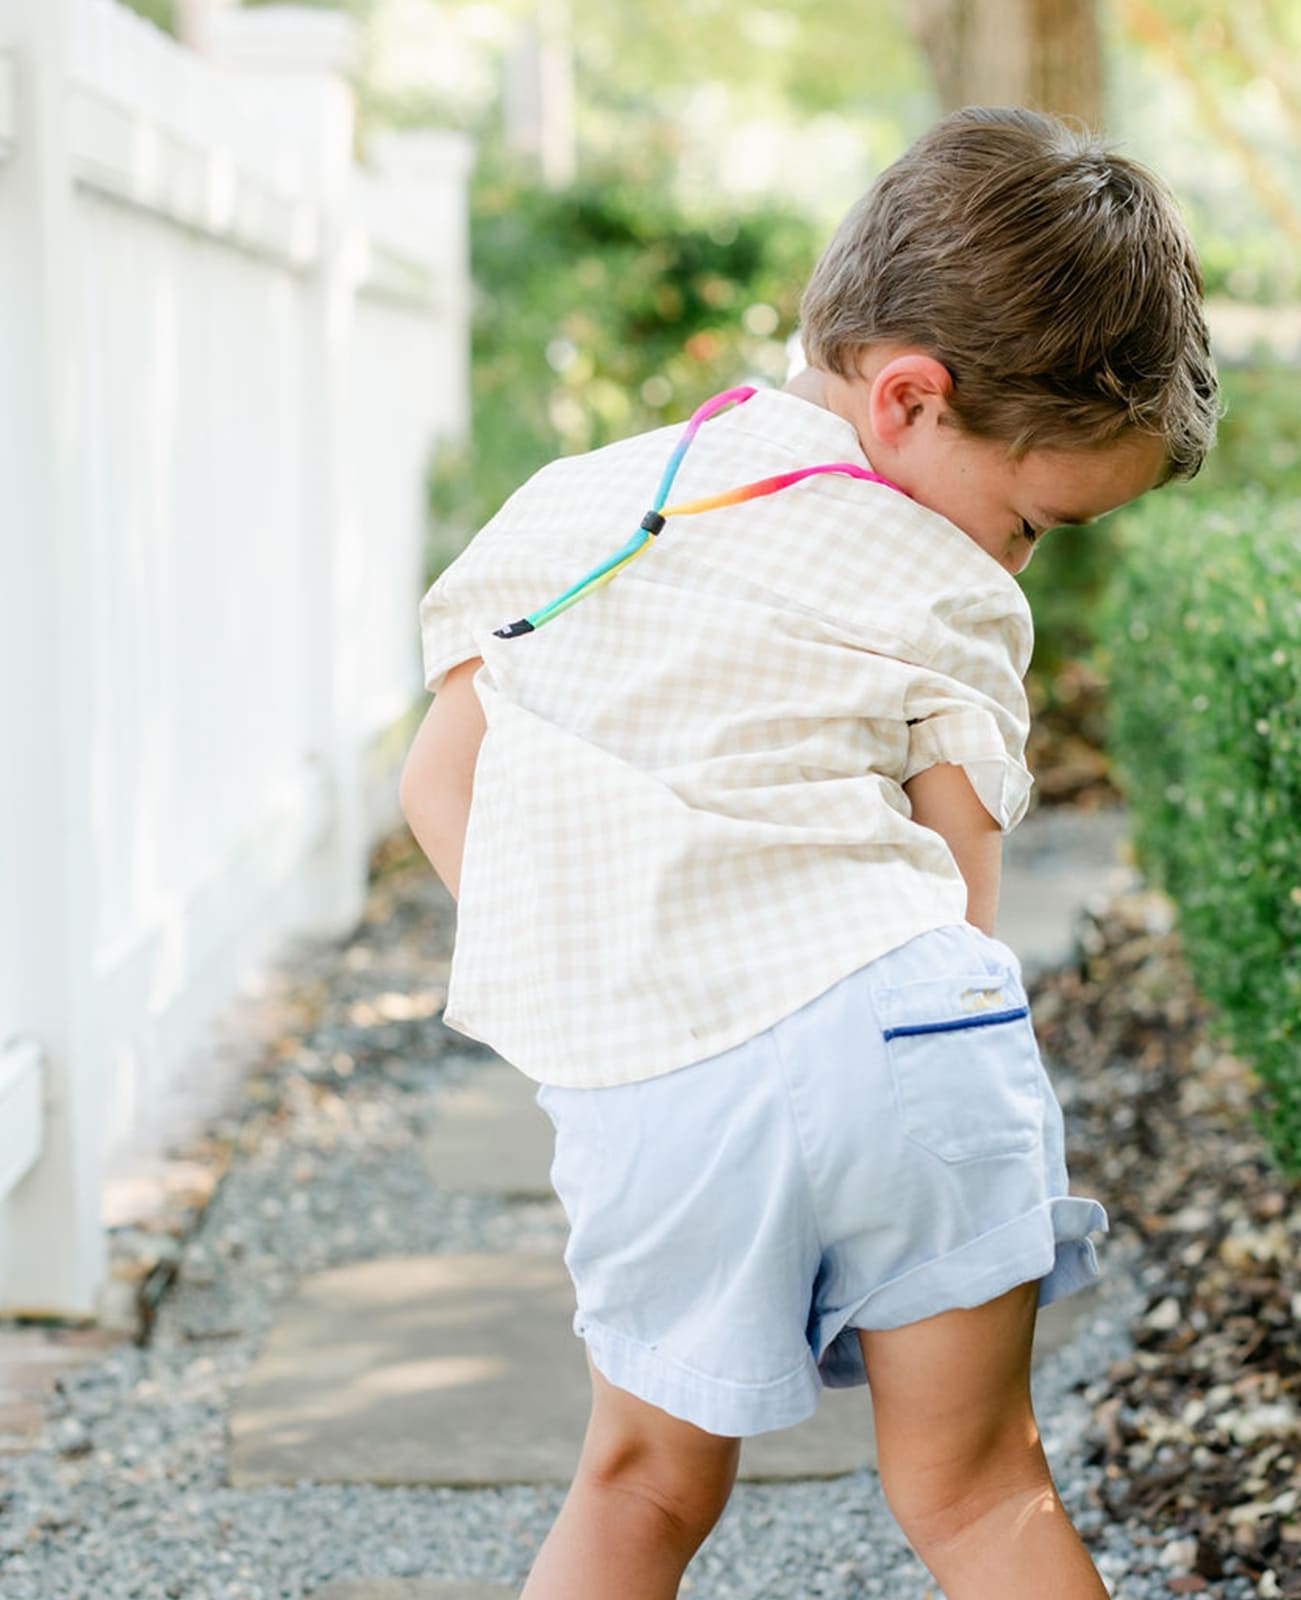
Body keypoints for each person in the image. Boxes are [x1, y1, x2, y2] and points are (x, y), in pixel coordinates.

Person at [399, 105, 1217, 1600]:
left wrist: (604, 989)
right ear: (908, 400)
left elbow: (441, 784)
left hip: (663, 1078)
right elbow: (960, 888)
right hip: (909, 1026)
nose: (1018, 557)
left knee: (638, 1487)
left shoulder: (573, 511)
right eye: (1034, 522)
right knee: (980, 1496)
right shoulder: (944, 576)